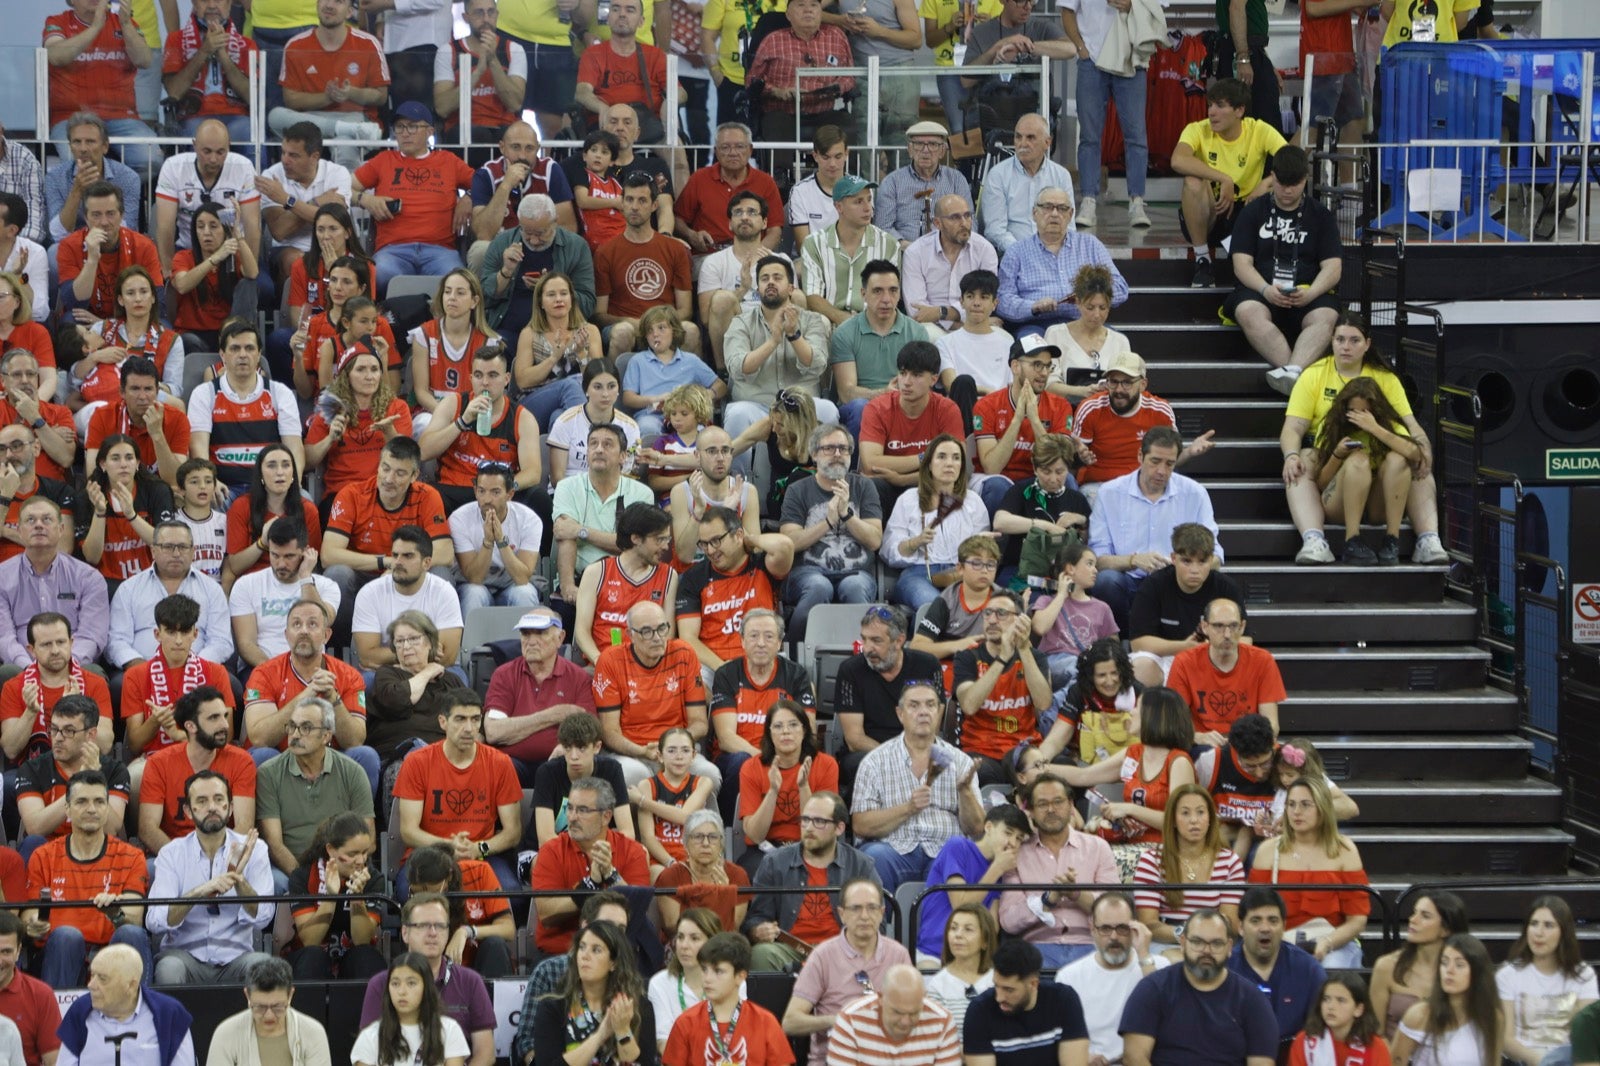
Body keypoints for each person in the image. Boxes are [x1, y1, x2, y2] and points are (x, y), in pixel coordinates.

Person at [1280, 314, 1447, 566]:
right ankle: (1314, 540)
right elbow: (1293, 428)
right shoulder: (1314, 376)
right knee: (1302, 460)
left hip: (1381, 480)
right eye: (1340, 339)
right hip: (1333, 465)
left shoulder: (1385, 379)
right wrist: (1291, 455)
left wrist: (1423, 450)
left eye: (1354, 340)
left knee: (1414, 461)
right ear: (1331, 341)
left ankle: (1428, 539)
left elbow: (1412, 426)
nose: (1346, 346)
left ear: (1367, 344)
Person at [1226, 147, 1344, 396]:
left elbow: (1333, 267)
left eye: (1295, 184)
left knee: (1326, 316)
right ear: (1272, 177)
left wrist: (1312, 293)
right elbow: (1241, 263)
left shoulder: (1321, 216)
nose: (1288, 191)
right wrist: (1265, 289)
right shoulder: (1253, 212)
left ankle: (1291, 374)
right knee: (1247, 311)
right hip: (1261, 289)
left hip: (1307, 291)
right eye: (1281, 184)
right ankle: (1298, 378)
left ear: (1305, 180)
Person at [23, 769, 151, 988]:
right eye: (82, 801)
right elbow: (30, 917)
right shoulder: (43, 856)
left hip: (110, 952)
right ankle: (58, 1009)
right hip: (60, 951)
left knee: (132, 933)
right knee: (67, 937)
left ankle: (140, 1006)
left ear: (107, 808)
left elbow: (134, 920)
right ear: (67, 808)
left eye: (99, 802)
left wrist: (116, 914)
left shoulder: (132, 856)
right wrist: (34, 924)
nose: (92, 809)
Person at [851, 681, 983, 891]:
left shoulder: (961, 762)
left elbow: (977, 829)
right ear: (900, 714)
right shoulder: (874, 762)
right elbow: (860, 825)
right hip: (893, 850)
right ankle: (881, 915)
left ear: (939, 712)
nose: (923, 712)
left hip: (944, 850)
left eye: (930, 705)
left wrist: (965, 792)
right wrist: (908, 808)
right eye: (914, 705)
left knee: (959, 857)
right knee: (874, 856)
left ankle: (941, 915)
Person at [146, 769, 275, 984]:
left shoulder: (254, 850)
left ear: (230, 808)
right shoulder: (171, 853)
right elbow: (156, 921)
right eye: (202, 801)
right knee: (169, 969)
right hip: (185, 957)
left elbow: (263, 917)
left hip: (237, 958)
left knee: (262, 966)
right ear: (188, 811)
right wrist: (200, 892)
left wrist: (239, 880)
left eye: (218, 799)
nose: (212, 807)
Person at [1088, 425, 1220, 631]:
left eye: (1169, 464)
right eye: (1155, 461)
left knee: (1211, 580)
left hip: (1175, 581)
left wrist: (1181, 567)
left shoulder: (1195, 493)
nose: (1161, 471)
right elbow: (1097, 559)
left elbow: (1216, 555)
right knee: (1106, 581)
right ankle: (1121, 639)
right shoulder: (1109, 492)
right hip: (1127, 579)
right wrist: (1133, 561)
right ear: (1140, 456)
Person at [394, 691, 523, 892]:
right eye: (460, 719)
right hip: (429, 853)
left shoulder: (500, 763)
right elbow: (409, 832)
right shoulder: (417, 762)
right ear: (443, 722)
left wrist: (479, 848)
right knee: (407, 892)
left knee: (512, 894)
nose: (469, 729)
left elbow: (513, 832)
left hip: (481, 853)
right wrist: (450, 846)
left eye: (475, 719)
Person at [320, 435, 451, 634]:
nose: (389, 479)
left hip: (410, 574)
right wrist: (387, 562)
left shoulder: (428, 496)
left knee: (441, 573)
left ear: (414, 475)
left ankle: (435, 643)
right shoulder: (352, 494)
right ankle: (341, 644)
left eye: (400, 473)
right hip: (363, 573)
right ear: (378, 465)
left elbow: (445, 554)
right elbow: (328, 555)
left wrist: (401, 565)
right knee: (337, 573)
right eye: (385, 468)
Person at [243, 598, 375, 789]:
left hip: (330, 762)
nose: (304, 630)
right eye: (296, 624)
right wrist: (308, 693)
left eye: (312, 624)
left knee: (365, 756)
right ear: (287, 634)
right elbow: (260, 738)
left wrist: (333, 698)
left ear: (326, 635)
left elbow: (355, 740)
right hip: (281, 762)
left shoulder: (349, 676)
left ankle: (352, 811)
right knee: (262, 755)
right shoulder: (264, 673)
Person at [1119, 908, 1278, 1066]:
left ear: (1229, 947)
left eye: (1216, 943)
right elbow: (1134, 1058)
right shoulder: (1153, 989)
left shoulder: (1252, 999)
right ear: (1183, 943)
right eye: (1197, 942)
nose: (1206, 951)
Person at [781, 877, 911, 1066]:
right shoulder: (823, 956)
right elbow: (790, 1022)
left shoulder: (898, 955)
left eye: (872, 908)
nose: (864, 916)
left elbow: (916, 1014)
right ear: (842, 914)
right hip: (833, 1059)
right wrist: (838, 1020)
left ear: (882, 913)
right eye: (856, 908)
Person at [742, 791, 878, 971]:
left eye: (819, 821)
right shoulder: (774, 862)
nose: (809, 828)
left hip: (842, 949)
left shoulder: (861, 865)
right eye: (805, 820)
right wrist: (758, 930)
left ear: (839, 828)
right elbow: (757, 917)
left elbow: (877, 922)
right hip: (791, 949)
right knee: (761, 954)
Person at [1172, 78, 1286, 288]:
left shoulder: (1259, 130)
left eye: (1220, 106)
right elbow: (1177, 160)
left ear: (1239, 110)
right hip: (1208, 214)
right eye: (1210, 105)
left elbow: (1292, 163)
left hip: (1245, 212)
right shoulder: (1197, 129)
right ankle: (1203, 261)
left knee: (1275, 190)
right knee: (1192, 181)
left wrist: (1265, 183)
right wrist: (1224, 178)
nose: (1211, 112)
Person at [594, 601, 720, 789]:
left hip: (677, 749)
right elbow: (609, 732)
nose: (657, 638)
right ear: (630, 635)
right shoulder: (610, 660)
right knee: (634, 775)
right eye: (647, 632)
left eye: (662, 629)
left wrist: (672, 746)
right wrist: (642, 751)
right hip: (631, 752)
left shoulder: (684, 654)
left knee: (709, 774)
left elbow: (700, 723)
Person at [994, 773, 1117, 967]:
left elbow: (1114, 911)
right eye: (1042, 804)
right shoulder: (1016, 854)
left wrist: (1076, 894)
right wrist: (1047, 900)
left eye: (1058, 801)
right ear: (1031, 811)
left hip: (1091, 944)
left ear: (1071, 805)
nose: (1051, 809)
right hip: (1038, 948)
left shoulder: (1098, 847)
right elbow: (1009, 921)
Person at [257, 694, 377, 892]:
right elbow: (274, 844)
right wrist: (307, 881)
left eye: (306, 728)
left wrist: (335, 875)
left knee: (369, 881)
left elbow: (368, 839)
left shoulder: (353, 772)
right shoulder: (268, 773)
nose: (295, 735)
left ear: (326, 736)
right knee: (276, 884)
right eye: (292, 726)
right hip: (291, 869)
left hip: (342, 867)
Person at [1247, 776, 1370, 968]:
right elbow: (1253, 911)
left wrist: (1328, 943)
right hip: (1279, 943)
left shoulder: (1345, 850)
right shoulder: (1267, 850)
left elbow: (1358, 920)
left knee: (1330, 967)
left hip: (1335, 942)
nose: (1296, 812)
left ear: (1322, 808)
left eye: (1305, 805)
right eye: (1291, 804)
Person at [351, 102, 474, 289]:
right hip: (392, 251)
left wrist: (469, 197)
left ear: (430, 131)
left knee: (458, 283)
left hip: (440, 250)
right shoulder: (383, 160)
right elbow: (342, 188)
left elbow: (485, 184)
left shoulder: (448, 161)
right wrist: (365, 199)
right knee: (377, 276)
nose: (405, 133)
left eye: (413, 126)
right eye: (400, 127)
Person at [723, 261, 837, 460]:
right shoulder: (741, 323)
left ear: (791, 288)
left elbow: (817, 364)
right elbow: (738, 367)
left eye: (777, 278)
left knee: (828, 410)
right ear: (758, 288)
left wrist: (793, 335)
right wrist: (773, 341)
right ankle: (736, 477)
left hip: (802, 408)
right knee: (737, 414)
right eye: (764, 279)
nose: (770, 282)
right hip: (756, 406)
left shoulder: (812, 320)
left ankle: (824, 473)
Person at [777, 424, 883, 637]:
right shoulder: (798, 490)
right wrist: (828, 521)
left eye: (843, 449)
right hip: (808, 572)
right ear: (814, 454)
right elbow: (789, 542)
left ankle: (864, 650)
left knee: (854, 587)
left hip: (857, 572)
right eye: (829, 448)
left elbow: (874, 540)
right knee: (819, 587)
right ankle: (794, 648)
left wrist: (846, 515)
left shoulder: (864, 487)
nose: (837, 454)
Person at [528, 777, 653, 956]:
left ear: (606, 816)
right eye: (569, 808)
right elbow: (547, 914)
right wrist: (590, 885)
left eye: (583, 810)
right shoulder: (550, 851)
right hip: (560, 955)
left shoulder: (632, 851)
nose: (572, 817)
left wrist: (611, 875)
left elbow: (636, 914)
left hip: (617, 954)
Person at [1314, 377, 1426, 566]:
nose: (1358, 418)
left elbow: (1415, 454)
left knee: (1398, 459)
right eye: (1353, 411)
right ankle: (1352, 540)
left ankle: (1392, 540)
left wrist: (1374, 428)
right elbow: (1321, 483)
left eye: (1364, 412)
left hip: (1376, 506)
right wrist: (1337, 455)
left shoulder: (1389, 426)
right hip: (1340, 503)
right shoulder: (1332, 426)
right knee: (1359, 460)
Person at [1059, 0, 1152, 228]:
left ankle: (1137, 201)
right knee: (1089, 135)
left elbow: (1158, 6)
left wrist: (1132, 5)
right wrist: (1081, 48)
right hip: (1092, 59)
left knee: (1136, 134)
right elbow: (1066, 10)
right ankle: (1088, 200)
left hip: (1130, 56)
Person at [418, 343, 542, 512]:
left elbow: (533, 473)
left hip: (498, 496)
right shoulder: (453, 404)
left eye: (492, 375)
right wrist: (462, 421)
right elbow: (423, 451)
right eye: (478, 375)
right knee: (423, 496)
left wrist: (502, 488)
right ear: (470, 378)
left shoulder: (522, 418)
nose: (485, 382)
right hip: (454, 490)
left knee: (539, 499)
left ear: (506, 379)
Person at [710, 614, 817, 810]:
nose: (760, 643)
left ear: (779, 643)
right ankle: (731, 826)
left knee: (819, 763)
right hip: (738, 757)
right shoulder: (726, 674)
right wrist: (766, 760)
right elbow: (726, 739)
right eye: (753, 636)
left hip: (786, 755)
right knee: (741, 761)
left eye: (768, 636)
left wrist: (783, 760)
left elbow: (807, 731)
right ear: (742, 641)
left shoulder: (797, 675)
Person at [42, 0, 162, 175]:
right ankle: (95, 189)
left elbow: (144, 60)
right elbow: (55, 56)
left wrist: (126, 25)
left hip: (121, 116)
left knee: (152, 160)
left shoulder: (123, 22)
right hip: (71, 116)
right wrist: (95, 28)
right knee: (74, 163)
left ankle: (114, 189)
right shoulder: (57, 21)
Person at [188, 319, 305, 497]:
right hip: (223, 488)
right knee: (205, 500)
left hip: (270, 488)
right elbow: (198, 448)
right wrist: (211, 481)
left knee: (305, 501)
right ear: (222, 355)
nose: (242, 355)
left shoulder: (280, 393)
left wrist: (291, 485)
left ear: (259, 355)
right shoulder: (204, 393)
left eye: (249, 348)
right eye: (235, 348)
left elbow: (295, 448)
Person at [834, 604, 946, 789]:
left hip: (917, 747)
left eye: (876, 641)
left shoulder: (928, 665)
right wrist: (896, 759)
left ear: (899, 640)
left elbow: (932, 727)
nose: (867, 649)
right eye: (864, 639)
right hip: (869, 751)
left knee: (946, 763)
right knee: (860, 764)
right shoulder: (850, 670)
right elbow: (855, 739)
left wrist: (911, 758)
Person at [267, 0, 389, 169]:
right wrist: (327, 97)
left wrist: (350, 93)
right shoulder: (295, 45)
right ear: (317, 4)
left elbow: (381, 96)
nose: (329, 5)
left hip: (355, 116)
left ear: (349, 12)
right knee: (275, 116)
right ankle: (346, 129)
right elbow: (291, 100)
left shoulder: (368, 43)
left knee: (345, 142)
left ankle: (347, 184)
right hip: (311, 119)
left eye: (338, 1)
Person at [137, 685, 258, 852]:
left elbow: (244, 826)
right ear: (191, 726)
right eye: (214, 718)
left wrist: (219, 863)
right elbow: (148, 829)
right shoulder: (159, 763)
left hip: (225, 854)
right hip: (174, 853)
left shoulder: (241, 761)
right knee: (150, 866)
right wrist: (184, 862)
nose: (225, 725)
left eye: (225, 716)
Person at [676, 507, 793, 678]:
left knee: (803, 684)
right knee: (695, 683)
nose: (710, 550)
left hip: (763, 657)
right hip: (713, 665)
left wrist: (750, 540)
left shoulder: (763, 565)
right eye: (704, 544)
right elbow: (688, 638)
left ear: (738, 535)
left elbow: (785, 545)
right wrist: (724, 669)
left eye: (716, 541)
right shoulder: (693, 578)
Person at [880, 433, 991, 610]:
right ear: (929, 465)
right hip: (918, 574)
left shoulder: (973, 501)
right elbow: (888, 552)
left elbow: (983, 557)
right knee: (934, 605)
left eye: (956, 458)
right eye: (942, 457)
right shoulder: (908, 499)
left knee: (980, 604)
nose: (949, 463)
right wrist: (915, 542)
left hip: (961, 573)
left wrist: (981, 545)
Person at [1127, 522, 1245, 687]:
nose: (1194, 570)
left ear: (1211, 560)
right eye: (1187, 561)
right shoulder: (1153, 585)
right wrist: (1184, 647)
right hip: (1165, 657)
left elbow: (1245, 640)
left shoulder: (1226, 587)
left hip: (1213, 655)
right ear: (1173, 558)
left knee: (1237, 659)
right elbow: (1138, 643)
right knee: (1140, 667)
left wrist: (1211, 647)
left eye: (1202, 562)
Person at [594, 174, 699, 359]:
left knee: (690, 330)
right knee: (622, 332)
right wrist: (631, 322)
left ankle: (693, 381)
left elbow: (686, 310)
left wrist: (658, 325)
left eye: (642, 200)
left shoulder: (675, 249)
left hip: (665, 324)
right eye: (629, 200)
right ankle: (612, 379)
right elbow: (599, 314)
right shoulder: (605, 252)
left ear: (654, 205)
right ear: (622, 203)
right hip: (625, 325)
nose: (635, 206)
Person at [997, 188, 1127, 335]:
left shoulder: (1090, 245)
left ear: (1070, 215)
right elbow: (1003, 300)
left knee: (1117, 342)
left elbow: (1120, 288)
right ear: (1034, 213)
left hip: (1084, 322)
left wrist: (1089, 296)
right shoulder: (1016, 251)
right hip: (1036, 325)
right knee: (1029, 345)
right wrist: (1033, 306)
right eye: (1047, 207)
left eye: (1062, 208)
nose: (1054, 214)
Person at [953, 589, 1053, 782]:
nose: (992, 620)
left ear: (1020, 620)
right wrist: (1002, 659)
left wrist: (1024, 649)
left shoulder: (1036, 658)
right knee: (976, 773)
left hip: (1023, 751)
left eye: (1001, 614)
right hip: (981, 750)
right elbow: (969, 705)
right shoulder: (968, 657)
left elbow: (1043, 703)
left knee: (1063, 766)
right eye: (987, 613)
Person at [914, 803, 1031, 966]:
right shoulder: (957, 846)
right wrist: (997, 868)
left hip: (973, 958)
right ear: (988, 827)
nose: (1012, 843)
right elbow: (960, 905)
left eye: (1019, 838)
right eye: (1008, 833)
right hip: (933, 953)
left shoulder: (1000, 871)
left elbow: (992, 927)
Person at [1055, 893, 1166, 1063]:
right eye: (1105, 929)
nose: (1114, 937)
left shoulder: (1157, 966)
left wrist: (1144, 956)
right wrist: (1083, 1057)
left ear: (1135, 928)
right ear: (1092, 929)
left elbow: (1168, 1020)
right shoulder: (1069, 977)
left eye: (1122, 928)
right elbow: (1060, 1038)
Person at [858, 340, 966, 514]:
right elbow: (871, 464)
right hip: (887, 484)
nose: (906, 382)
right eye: (903, 373)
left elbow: (957, 466)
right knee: (872, 485)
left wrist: (903, 479)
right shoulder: (877, 408)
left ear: (934, 379)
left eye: (916, 375)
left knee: (942, 485)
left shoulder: (947, 409)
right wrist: (925, 458)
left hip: (926, 485)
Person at [0, 498, 108, 670]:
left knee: (93, 672)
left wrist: (66, 666)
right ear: (19, 531)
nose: (38, 525)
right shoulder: (2, 577)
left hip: (74, 666)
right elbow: (4, 637)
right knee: (7, 672)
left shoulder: (88, 578)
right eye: (30, 520)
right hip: (21, 667)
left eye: (47, 519)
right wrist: (29, 668)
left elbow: (91, 635)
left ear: (61, 530)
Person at [552, 422, 655, 603]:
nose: (599, 449)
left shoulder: (642, 493)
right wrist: (568, 587)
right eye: (593, 443)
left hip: (628, 580)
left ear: (623, 456)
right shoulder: (567, 487)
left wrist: (581, 531)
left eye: (607, 444)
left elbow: (635, 545)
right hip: (581, 579)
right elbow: (566, 536)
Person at [15, 694, 126, 860]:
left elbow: (111, 829)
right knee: (32, 842)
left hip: (95, 853)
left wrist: (95, 778)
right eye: (54, 729)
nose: (58, 738)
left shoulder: (114, 770)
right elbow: (35, 828)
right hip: (48, 855)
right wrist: (79, 781)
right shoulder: (32, 769)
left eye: (69, 731)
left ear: (90, 734)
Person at [530, 919, 653, 1066]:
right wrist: (600, 1035)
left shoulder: (637, 1007)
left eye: (596, 950)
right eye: (582, 947)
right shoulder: (553, 1008)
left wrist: (622, 1030)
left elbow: (644, 1063)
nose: (585, 955)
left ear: (613, 963)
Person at [1133, 783, 1246, 942]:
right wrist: (1187, 935)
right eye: (1185, 813)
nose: (1194, 820)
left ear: (1210, 818)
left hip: (1213, 942)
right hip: (1167, 942)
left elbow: (1231, 924)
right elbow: (1148, 925)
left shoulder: (1229, 862)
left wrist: (1201, 939)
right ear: (1173, 820)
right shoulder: (1151, 861)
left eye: (1200, 812)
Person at [151, 120, 263, 280]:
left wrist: (249, 269)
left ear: (229, 146)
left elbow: (252, 226)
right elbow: (165, 227)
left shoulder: (244, 167)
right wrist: (168, 270)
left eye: (220, 152)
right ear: (194, 145)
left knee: (261, 286)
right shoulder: (173, 168)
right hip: (189, 251)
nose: (213, 159)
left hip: (232, 251)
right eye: (207, 151)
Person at [0, 613, 114, 765]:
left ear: (71, 643)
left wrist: (78, 710)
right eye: (46, 644)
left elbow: (105, 745)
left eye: (61, 642)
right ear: (31, 649)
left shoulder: (95, 683)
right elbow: (10, 749)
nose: (55, 650)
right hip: (31, 771)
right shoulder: (14, 687)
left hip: (82, 769)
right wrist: (30, 712)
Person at [1168, 598, 1285, 745]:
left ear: (1242, 627)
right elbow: (1173, 724)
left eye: (1234, 626)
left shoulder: (1263, 661)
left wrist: (1246, 742)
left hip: (1249, 745)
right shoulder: (1184, 662)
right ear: (1204, 627)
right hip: (1202, 745)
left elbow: (1271, 725)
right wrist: (1198, 737)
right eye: (1218, 626)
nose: (1227, 634)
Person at [662, 931, 790, 1066]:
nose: (707, 978)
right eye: (704, 969)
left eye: (718, 971)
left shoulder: (765, 1022)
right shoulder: (685, 1023)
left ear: (740, 976)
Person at [1497, 896, 1598, 1066]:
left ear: (1564, 932)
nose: (1539, 933)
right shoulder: (1508, 975)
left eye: (1548, 925)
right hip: (1524, 1061)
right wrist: (1541, 1061)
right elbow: (1506, 1039)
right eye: (1534, 924)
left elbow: (1586, 1035)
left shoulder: (1584, 975)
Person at [735, 700, 836, 870]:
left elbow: (822, 829)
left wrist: (803, 786)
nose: (786, 731)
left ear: (804, 730)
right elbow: (755, 835)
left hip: (811, 846)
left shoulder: (826, 764)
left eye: (793, 725)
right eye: (778, 726)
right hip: (765, 848)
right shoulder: (751, 768)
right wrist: (773, 791)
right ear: (769, 733)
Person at [285, 811, 385, 981]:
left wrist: (357, 897)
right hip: (310, 958)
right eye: (352, 854)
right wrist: (331, 897)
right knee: (312, 957)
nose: (361, 861)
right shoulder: (302, 876)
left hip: (353, 958)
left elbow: (362, 940)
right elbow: (310, 940)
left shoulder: (373, 879)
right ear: (331, 850)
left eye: (364, 852)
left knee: (366, 957)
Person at [829, 260, 925, 438]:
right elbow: (846, 393)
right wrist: (883, 394)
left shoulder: (916, 332)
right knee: (861, 407)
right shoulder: (845, 333)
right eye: (877, 291)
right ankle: (857, 458)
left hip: (904, 402)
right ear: (863, 294)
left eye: (893, 290)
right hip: (860, 408)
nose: (886, 299)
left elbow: (922, 384)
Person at [1229, 886, 1330, 1056]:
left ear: (1284, 926)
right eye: (1255, 920)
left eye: (1273, 920)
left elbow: (1323, 1034)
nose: (1265, 928)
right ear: (1240, 927)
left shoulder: (1309, 970)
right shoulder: (1225, 968)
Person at [55, 944, 195, 1066]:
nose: (91, 985)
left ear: (131, 985)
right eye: (92, 975)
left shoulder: (169, 1014)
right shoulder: (80, 1011)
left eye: (102, 979)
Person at [698, 196, 795, 372]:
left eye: (751, 212)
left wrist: (772, 278)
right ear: (730, 223)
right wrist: (743, 288)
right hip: (736, 329)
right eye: (738, 213)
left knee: (798, 296)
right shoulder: (714, 262)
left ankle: (794, 365)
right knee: (722, 299)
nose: (744, 217)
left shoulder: (781, 261)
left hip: (774, 323)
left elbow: (795, 307)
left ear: (764, 222)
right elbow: (706, 317)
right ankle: (725, 372)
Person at [574, 503, 677, 666]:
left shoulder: (669, 576)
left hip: (648, 668)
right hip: (602, 666)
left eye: (667, 539)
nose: (666, 546)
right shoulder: (596, 572)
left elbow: (667, 635)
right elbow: (581, 631)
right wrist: (601, 661)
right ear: (636, 538)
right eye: (659, 539)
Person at [350, 526, 466, 671]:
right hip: (388, 673)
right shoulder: (369, 593)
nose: (398, 562)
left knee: (456, 676)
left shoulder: (444, 592)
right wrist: (419, 652)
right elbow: (368, 657)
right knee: (368, 679)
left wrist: (397, 655)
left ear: (426, 563)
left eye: (408, 556)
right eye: (395, 555)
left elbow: (448, 657)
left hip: (434, 670)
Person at [304, 344, 411, 500]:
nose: (369, 376)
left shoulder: (397, 408)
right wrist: (330, 439)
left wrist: (390, 432)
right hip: (343, 492)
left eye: (374, 369)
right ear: (346, 376)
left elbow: (408, 458)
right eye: (361, 369)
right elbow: (307, 462)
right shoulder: (331, 410)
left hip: (385, 491)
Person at [230, 519, 340, 669]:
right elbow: (246, 644)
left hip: (311, 668)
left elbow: (325, 621)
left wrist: (306, 578)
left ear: (305, 552)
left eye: (289, 556)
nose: (281, 564)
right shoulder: (246, 585)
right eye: (275, 555)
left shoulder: (326, 586)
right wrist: (279, 673)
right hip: (262, 668)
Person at [467, 122, 576, 272]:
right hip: (501, 247)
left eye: (529, 148)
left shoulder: (550, 170)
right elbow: (483, 233)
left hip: (541, 244)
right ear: (502, 147)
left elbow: (568, 227)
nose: (522, 156)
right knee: (480, 250)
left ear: (538, 149)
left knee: (570, 247)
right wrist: (506, 185)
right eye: (515, 147)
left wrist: (537, 242)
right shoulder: (486, 174)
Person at [962, 938, 1091, 1066]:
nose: (999, 998)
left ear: (1033, 984)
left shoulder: (1064, 999)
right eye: (996, 986)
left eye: (1009, 990)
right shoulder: (979, 1011)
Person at [745, 0, 857, 142]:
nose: (808, 10)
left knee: (845, 128)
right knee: (776, 128)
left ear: (820, 12)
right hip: (782, 112)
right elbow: (752, 81)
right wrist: (777, 91)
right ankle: (781, 159)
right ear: (788, 14)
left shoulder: (836, 37)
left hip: (823, 112)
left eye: (813, 5)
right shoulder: (772, 40)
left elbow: (849, 76)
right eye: (801, 5)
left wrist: (834, 88)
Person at [255, 122, 354, 283]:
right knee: (296, 262)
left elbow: (335, 222)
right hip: (289, 248)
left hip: (334, 246)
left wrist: (286, 200)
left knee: (350, 264)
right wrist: (318, 202)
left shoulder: (338, 173)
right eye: (283, 152)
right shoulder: (272, 176)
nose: (285, 160)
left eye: (293, 155)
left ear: (314, 157)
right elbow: (280, 231)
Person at [800, 178, 901, 330]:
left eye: (869, 199)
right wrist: (842, 319)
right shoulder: (814, 243)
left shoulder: (889, 244)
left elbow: (891, 294)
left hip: (874, 321)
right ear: (839, 207)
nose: (868, 208)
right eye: (858, 202)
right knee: (820, 322)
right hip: (830, 321)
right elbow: (812, 296)